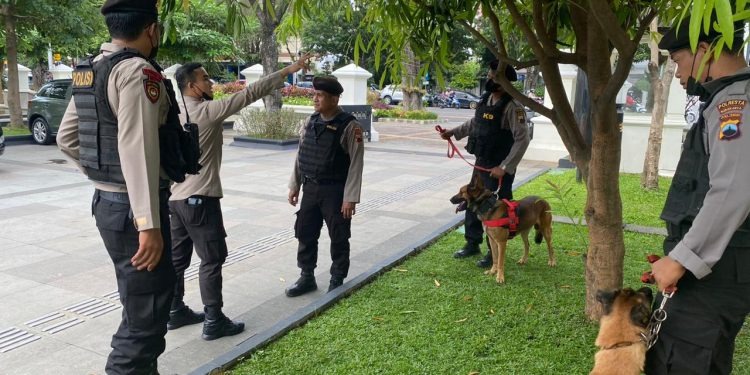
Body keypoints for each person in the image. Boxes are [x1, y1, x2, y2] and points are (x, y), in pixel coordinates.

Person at [57, 0, 186, 373]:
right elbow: (138, 147)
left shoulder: (91, 69)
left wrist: (105, 176)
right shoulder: (138, 72)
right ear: (151, 30)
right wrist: (148, 223)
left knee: (137, 303)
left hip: (108, 205)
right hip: (135, 213)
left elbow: (67, 138)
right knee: (146, 321)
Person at [167, 56, 311, 340]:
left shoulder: (173, 115)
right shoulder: (207, 111)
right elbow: (249, 94)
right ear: (193, 87)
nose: (212, 82)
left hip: (175, 200)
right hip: (201, 199)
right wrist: (287, 70)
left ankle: (174, 310)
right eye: (206, 78)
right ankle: (213, 319)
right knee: (212, 259)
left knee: (177, 260)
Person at [646, 18, 750, 375]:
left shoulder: (734, 105)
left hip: (714, 270)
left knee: (684, 359)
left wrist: (682, 259)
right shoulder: (724, 100)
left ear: (704, 51)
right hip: (714, 264)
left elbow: (734, 189)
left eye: (677, 60)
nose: (676, 73)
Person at [440, 60, 530, 268]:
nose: (489, 77)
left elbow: (522, 139)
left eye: (493, 75)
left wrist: (505, 167)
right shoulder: (486, 99)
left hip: (500, 168)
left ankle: (494, 252)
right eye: (490, 74)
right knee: (472, 201)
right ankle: (472, 243)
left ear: (504, 81)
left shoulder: (513, 106)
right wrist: (454, 133)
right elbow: (475, 123)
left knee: (497, 210)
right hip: (482, 163)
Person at [284, 76, 365, 297]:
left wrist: (350, 198)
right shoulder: (311, 121)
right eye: (314, 95)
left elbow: (356, 164)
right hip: (311, 188)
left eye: (320, 95)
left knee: (339, 235)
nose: (315, 99)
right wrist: (295, 185)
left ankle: (337, 278)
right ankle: (306, 276)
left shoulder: (349, 126)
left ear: (334, 98)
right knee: (305, 232)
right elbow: (302, 154)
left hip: (335, 191)